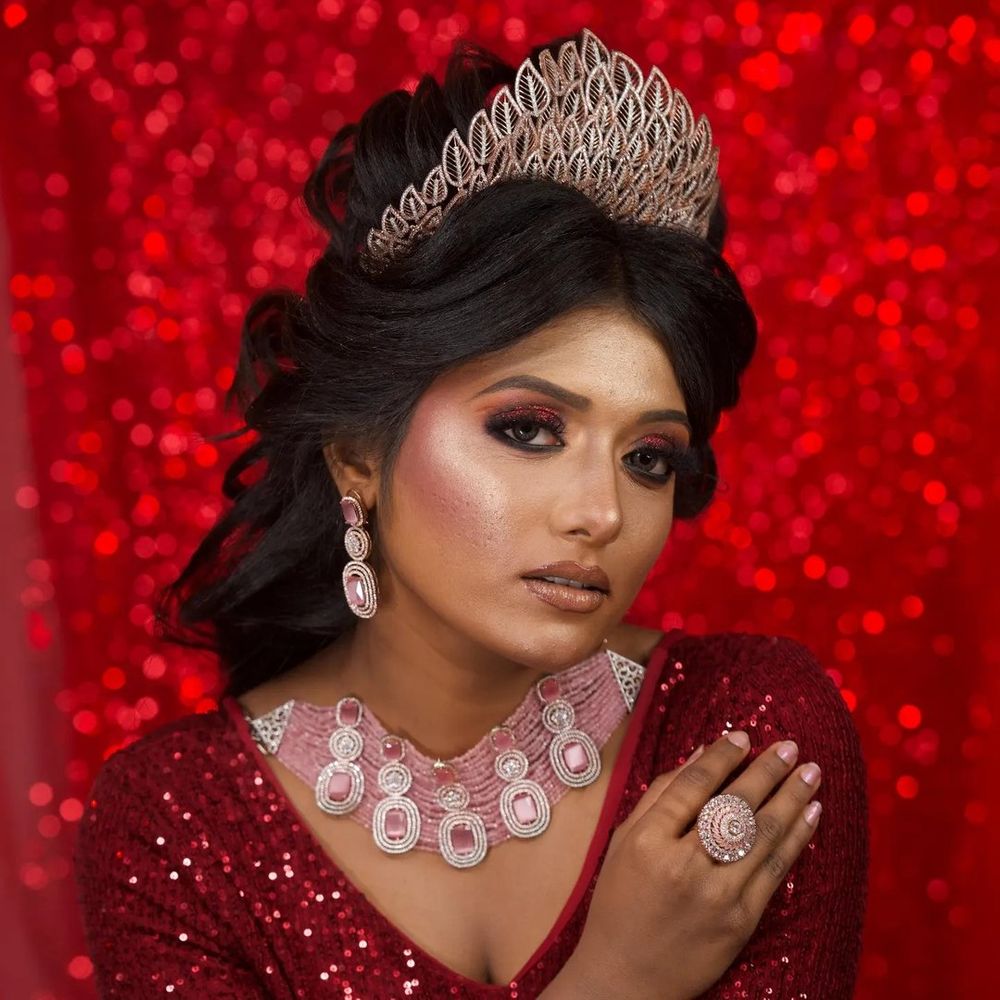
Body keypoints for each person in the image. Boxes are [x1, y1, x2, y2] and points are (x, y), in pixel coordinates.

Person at [73, 27, 869, 999]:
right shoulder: (178, 823)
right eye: (529, 429)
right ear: (358, 454)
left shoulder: (745, 735)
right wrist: (619, 978)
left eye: (647, 457)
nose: (602, 513)